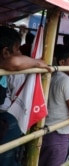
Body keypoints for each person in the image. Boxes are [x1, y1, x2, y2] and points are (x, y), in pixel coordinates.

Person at [0, 26, 50, 166]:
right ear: (5, 51)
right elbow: (14, 62)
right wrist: (36, 62)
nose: (20, 53)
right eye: (17, 50)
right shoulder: (7, 63)